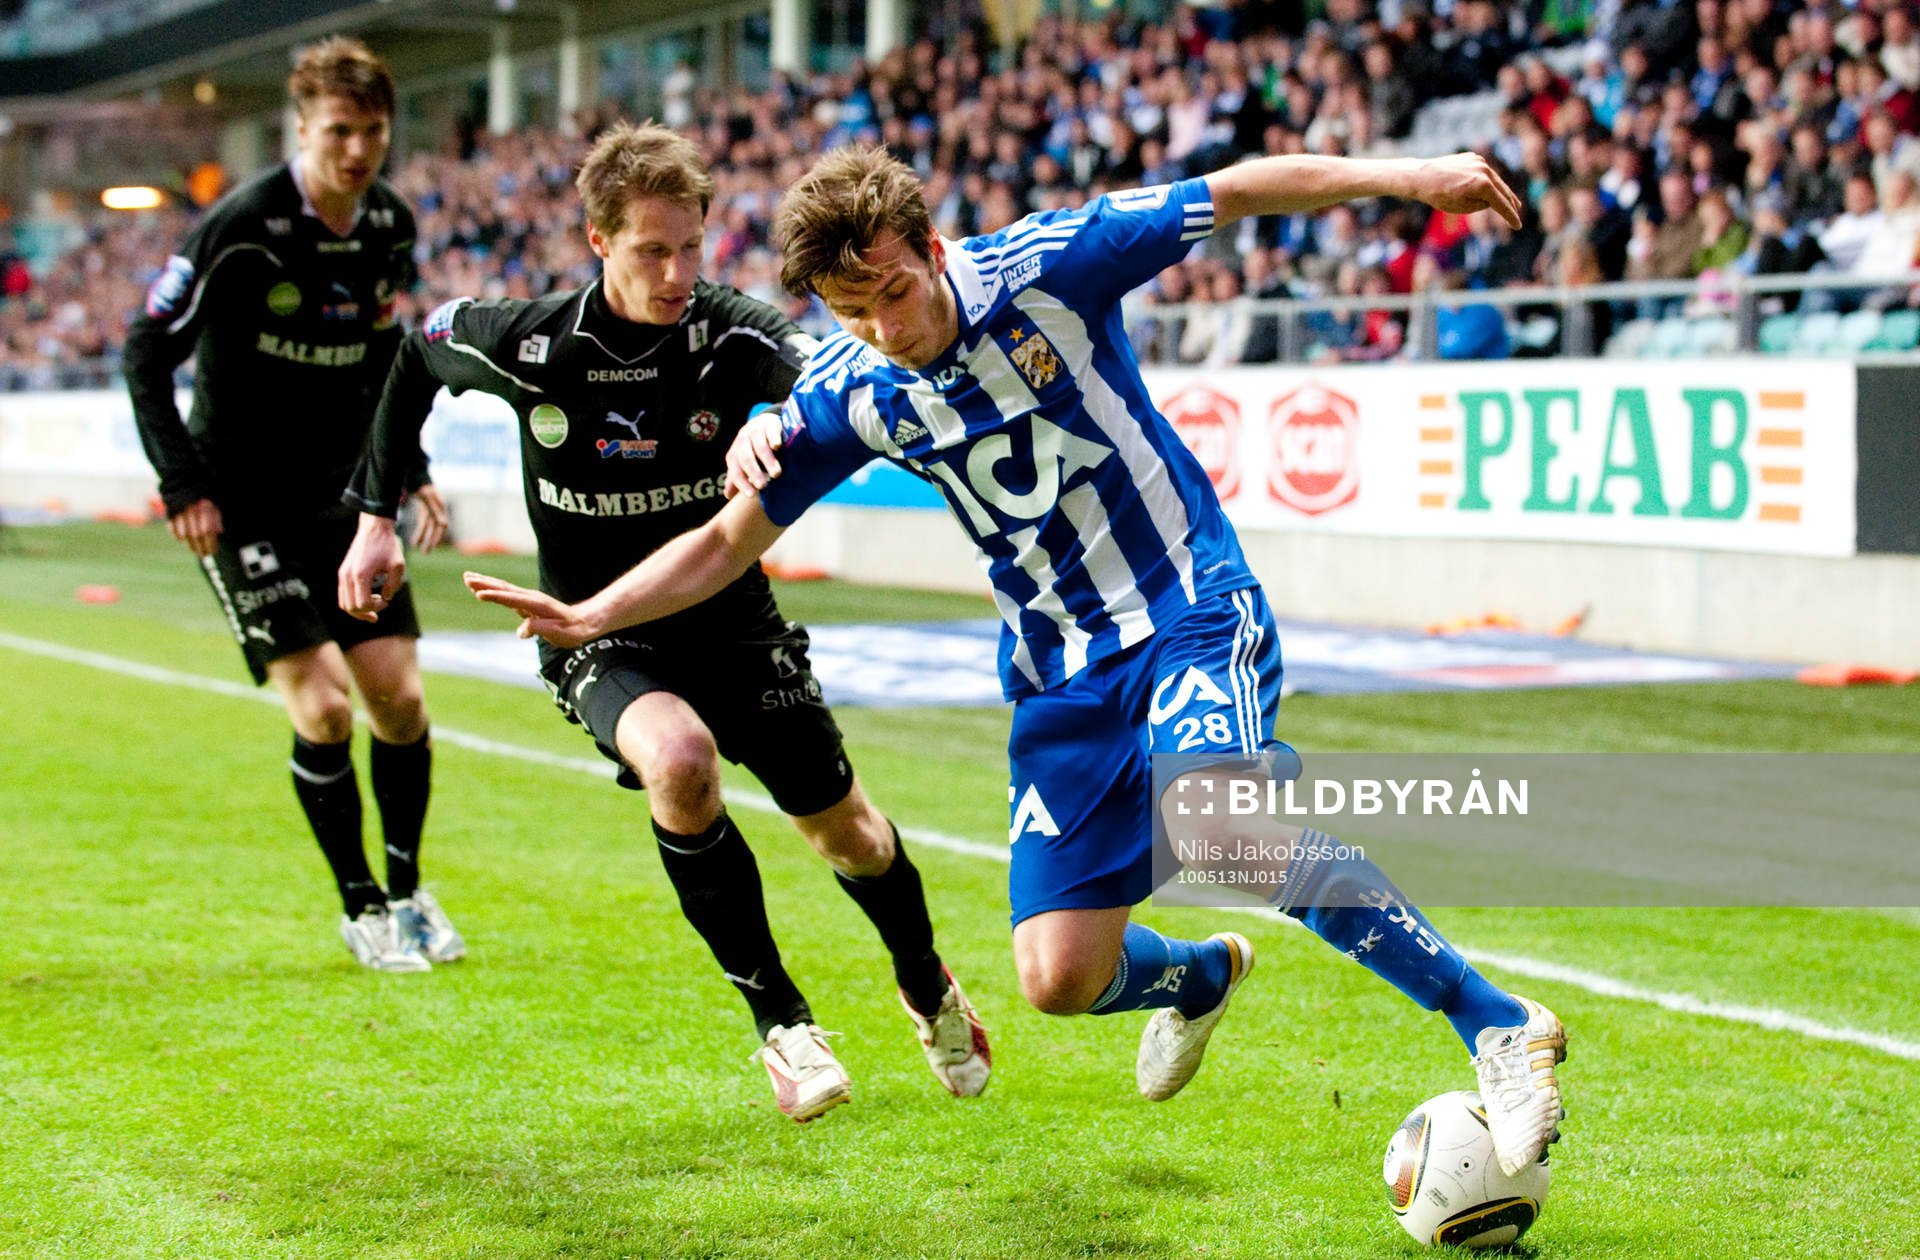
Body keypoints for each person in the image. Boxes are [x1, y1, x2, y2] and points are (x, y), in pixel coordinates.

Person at [465, 145, 1568, 1175]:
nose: (884, 326)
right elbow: (723, 543)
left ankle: (1498, 1024)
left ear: (933, 252)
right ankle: (1199, 973)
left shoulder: (1052, 266)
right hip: (1060, 677)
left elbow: (1232, 191)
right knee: (1058, 978)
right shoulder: (856, 390)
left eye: (894, 292)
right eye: (853, 311)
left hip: (1185, 602)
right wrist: (589, 613)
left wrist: (1419, 178)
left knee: (1222, 825)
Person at [336, 122, 988, 1122]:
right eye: (653, 249)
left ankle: (924, 980)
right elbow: (415, 355)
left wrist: (780, 412)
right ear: (599, 241)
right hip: (597, 633)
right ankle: (784, 1025)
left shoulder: (730, 330)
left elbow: (819, 367)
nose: (680, 270)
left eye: (693, 245)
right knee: (678, 762)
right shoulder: (531, 342)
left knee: (848, 835)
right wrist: (378, 514)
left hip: (731, 618)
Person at [123, 36, 460, 975]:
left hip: (349, 503)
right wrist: (183, 483)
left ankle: (407, 891)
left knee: (398, 697)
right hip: (243, 507)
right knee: (323, 709)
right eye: (340, 131)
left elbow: (387, 366)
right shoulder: (238, 228)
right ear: (301, 130)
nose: (358, 150)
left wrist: (412, 470)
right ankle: (362, 909)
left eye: (374, 132)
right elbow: (144, 351)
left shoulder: (389, 224)